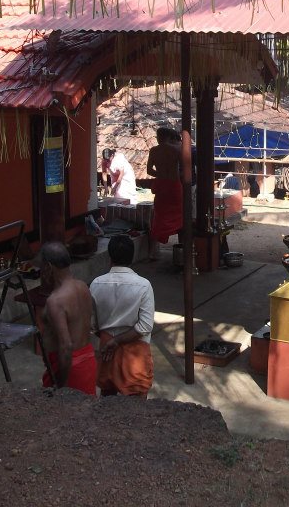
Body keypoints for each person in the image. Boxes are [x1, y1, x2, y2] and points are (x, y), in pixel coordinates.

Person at [90, 235, 155, 397]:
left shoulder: (96, 284)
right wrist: (117, 340)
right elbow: (145, 326)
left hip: (106, 348)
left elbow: (93, 324)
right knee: (137, 408)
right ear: (131, 257)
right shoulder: (144, 285)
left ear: (109, 258)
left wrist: (111, 339)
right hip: (135, 352)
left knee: (107, 404)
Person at [38, 242, 97, 394]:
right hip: (87, 360)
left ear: (49, 267)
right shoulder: (83, 286)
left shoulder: (56, 301)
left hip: (69, 369)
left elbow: (66, 346)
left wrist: (61, 385)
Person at [147, 127, 183, 260]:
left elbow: (149, 171)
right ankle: (182, 249)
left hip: (161, 186)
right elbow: (186, 170)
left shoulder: (154, 151)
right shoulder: (177, 150)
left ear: (158, 137)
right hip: (174, 186)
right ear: (169, 137)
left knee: (158, 219)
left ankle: (151, 253)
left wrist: (161, 174)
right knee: (180, 218)